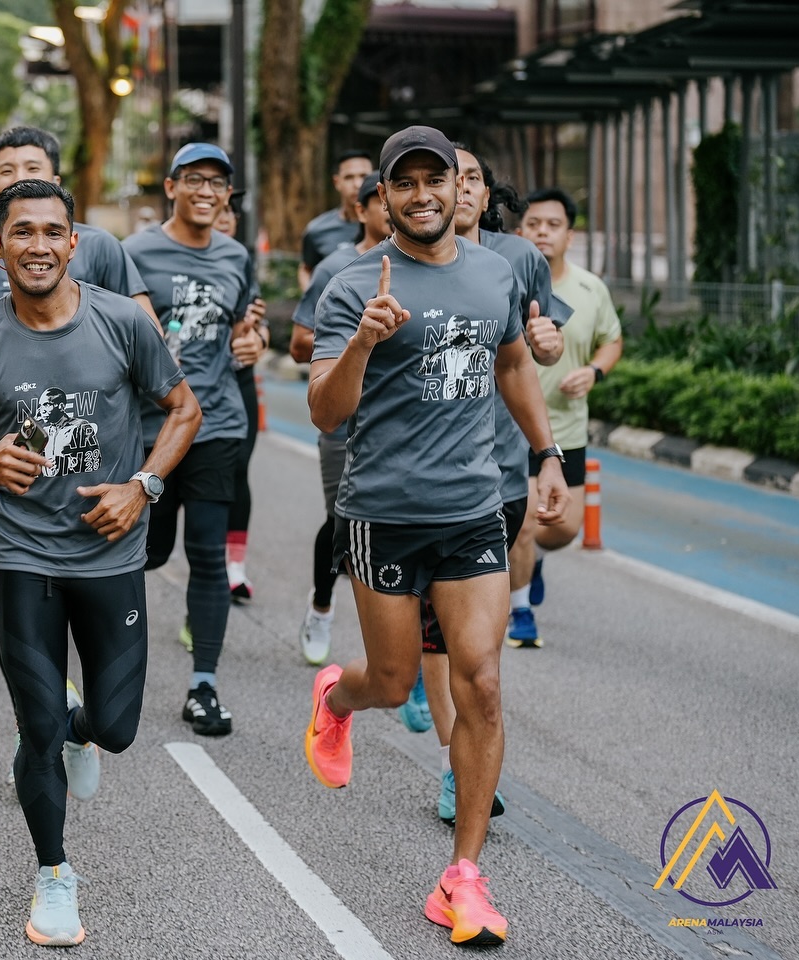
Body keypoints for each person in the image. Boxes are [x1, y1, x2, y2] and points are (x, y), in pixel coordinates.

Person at [304, 125, 569, 948]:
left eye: (438, 179)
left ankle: (463, 877)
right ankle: (335, 698)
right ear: (383, 197)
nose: (424, 194)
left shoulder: (496, 270)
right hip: (383, 510)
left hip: (471, 509)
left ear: (462, 188)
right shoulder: (353, 283)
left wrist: (546, 452)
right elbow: (324, 410)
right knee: (390, 683)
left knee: (480, 682)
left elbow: (513, 361)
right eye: (405, 183)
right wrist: (363, 341)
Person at [0, 179, 200, 946]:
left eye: (54, 232)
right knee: (37, 722)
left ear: (74, 243)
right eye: (23, 232)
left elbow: (185, 409)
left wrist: (144, 487)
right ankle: (54, 874)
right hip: (23, 555)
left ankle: (78, 730)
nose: (39, 246)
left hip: (110, 552)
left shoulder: (122, 322)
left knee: (115, 728)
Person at [0, 124, 155, 668]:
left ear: (56, 182)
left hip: (82, 437)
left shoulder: (99, 246)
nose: (18, 178)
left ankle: (52, 671)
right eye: (5, 172)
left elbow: (149, 340)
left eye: (31, 169)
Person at [412, 145, 567, 826]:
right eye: (457, 178)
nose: (465, 189)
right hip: (424, 484)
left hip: (498, 477)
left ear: (481, 190)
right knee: (435, 642)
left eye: (474, 178)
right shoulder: (406, 263)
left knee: (480, 652)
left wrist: (549, 345)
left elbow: (539, 345)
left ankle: (460, 766)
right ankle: (454, 752)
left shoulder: (517, 260)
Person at [123, 143, 264, 736]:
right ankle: (115, 670)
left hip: (216, 425)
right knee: (144, 554)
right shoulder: (134, 253)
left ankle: (203, 685)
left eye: (219, 183)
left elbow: (242, 330)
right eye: (195, 180)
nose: (207, 191)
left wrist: (252, 344)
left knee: (208, 556)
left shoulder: (236, 255)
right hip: (151, 430)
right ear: (172, 186)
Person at [511, 187, 623, 643]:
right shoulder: (508, 278)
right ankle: (520, 612)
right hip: (513, 428)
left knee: (563, 528)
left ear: (569, 235)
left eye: (553, 225)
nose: (543, 232)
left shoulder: (589, 287)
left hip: (569, 426)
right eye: (534, 223)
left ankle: (531, 560)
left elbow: (611, 339)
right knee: (524, 520)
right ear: (520, 230)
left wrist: (594, 371)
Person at [290, 171, 390, 665]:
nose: (391, 208)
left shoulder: (434, 264)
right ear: (362, 209)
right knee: (342, 522)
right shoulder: (337, 267)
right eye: (380, 199)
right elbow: (298, 343)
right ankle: (323, 606)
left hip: (401, 424)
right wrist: (356, 343)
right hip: (344, 422)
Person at [212, 191, 267, 604]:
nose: (225, 217)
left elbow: (255, 325)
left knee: (236, 474)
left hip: (238, 385)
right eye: (219, 210)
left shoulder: (239, 262)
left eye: (231, 211)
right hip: (187, 391)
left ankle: (231, 568)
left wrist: (259, 338)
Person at [299, 150, 374, 291]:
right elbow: (306, 269)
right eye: (349, 177)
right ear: (337, 182)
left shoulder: (387, 225)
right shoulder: (317, 230)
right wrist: (314, 304)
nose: (357, 184)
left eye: (364, 176)